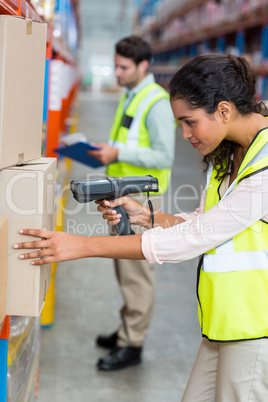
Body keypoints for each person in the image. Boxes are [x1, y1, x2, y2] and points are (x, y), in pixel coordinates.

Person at [15, 54, 268, 401]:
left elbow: (192, 239)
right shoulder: (233, 153)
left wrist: (81, 246)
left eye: (190, 122)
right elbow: (208, 223)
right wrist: (145, 217)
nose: (185, 134)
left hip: (256, 328)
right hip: (225, 322)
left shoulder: (264, 169)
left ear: (224, 111)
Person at [86, 35, 175, 370]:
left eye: (123, 67)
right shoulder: (132, 95)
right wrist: (106, 149)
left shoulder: (156, 102)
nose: (116, 72)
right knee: (125, 267)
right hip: (122, 193)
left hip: (141, 198)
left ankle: (133, 343)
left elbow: (164, 156)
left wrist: (118, 153)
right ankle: (127, 328)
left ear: (143, 65)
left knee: (137, 271)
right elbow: (127, 139)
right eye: (115, 65)